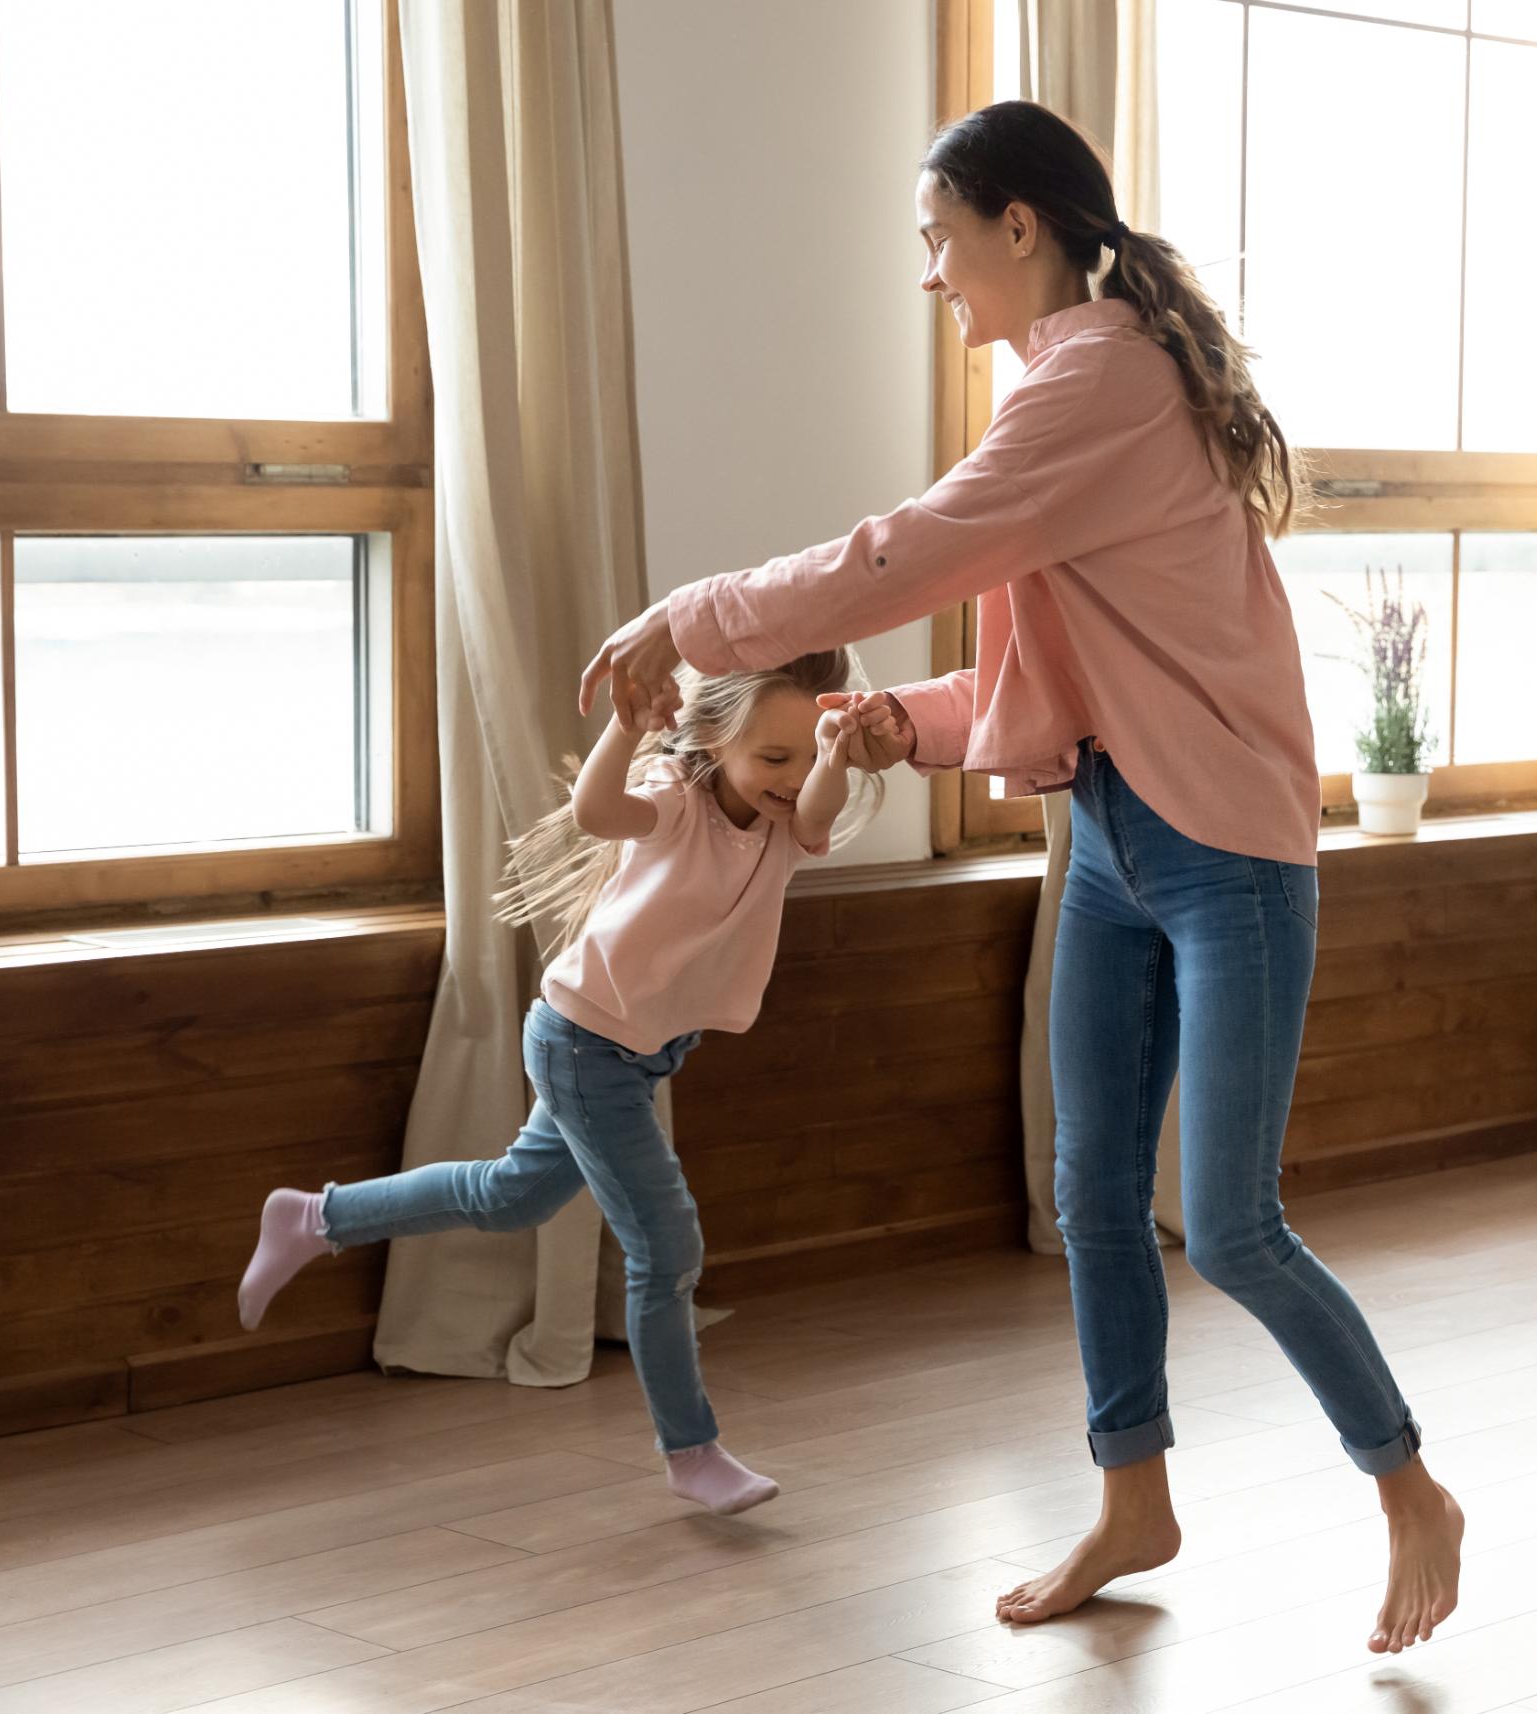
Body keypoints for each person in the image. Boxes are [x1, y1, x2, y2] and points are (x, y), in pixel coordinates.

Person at [576, 99, 1466, 1653]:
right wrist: (897, 723)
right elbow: (1036, 680)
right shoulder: (1077, 383)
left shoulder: (1102, 377)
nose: (931, 275)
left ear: (1018, 227)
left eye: (938, 239)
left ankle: (1406, 1483)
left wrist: (693, 616)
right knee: (1093, 1198)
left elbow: (898, 554)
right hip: (1113, 834)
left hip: (1226, 853)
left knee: (1230, 1219)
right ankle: (1133, 1497)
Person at [240, 649, 886, 1516]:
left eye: (806, 757)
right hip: (586, 1045)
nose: (792, 778)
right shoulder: (675, 800)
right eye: (774, 758)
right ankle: (690, 1450)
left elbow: (816, 815)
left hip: (637, 1049)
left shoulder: (785, 826)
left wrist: (835, 758)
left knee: (511, 1195)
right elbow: (596, 810)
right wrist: (627, 724)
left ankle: (315, 1217)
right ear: (714, 742)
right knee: (667, 1246)